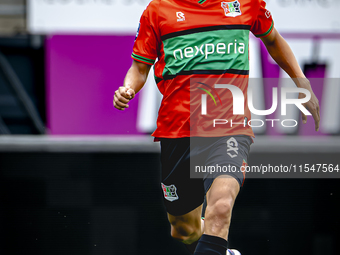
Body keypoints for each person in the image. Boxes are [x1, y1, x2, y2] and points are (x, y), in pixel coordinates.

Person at [114, 0, 320, 254]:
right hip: (177, 131)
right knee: (184, 229)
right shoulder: (158, 10)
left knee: (220, 207)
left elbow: (274, 40)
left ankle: (215, 244)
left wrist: (301, 81)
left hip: (229, 127)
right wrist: (128, 88)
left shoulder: (245, 3)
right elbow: (139, 67)